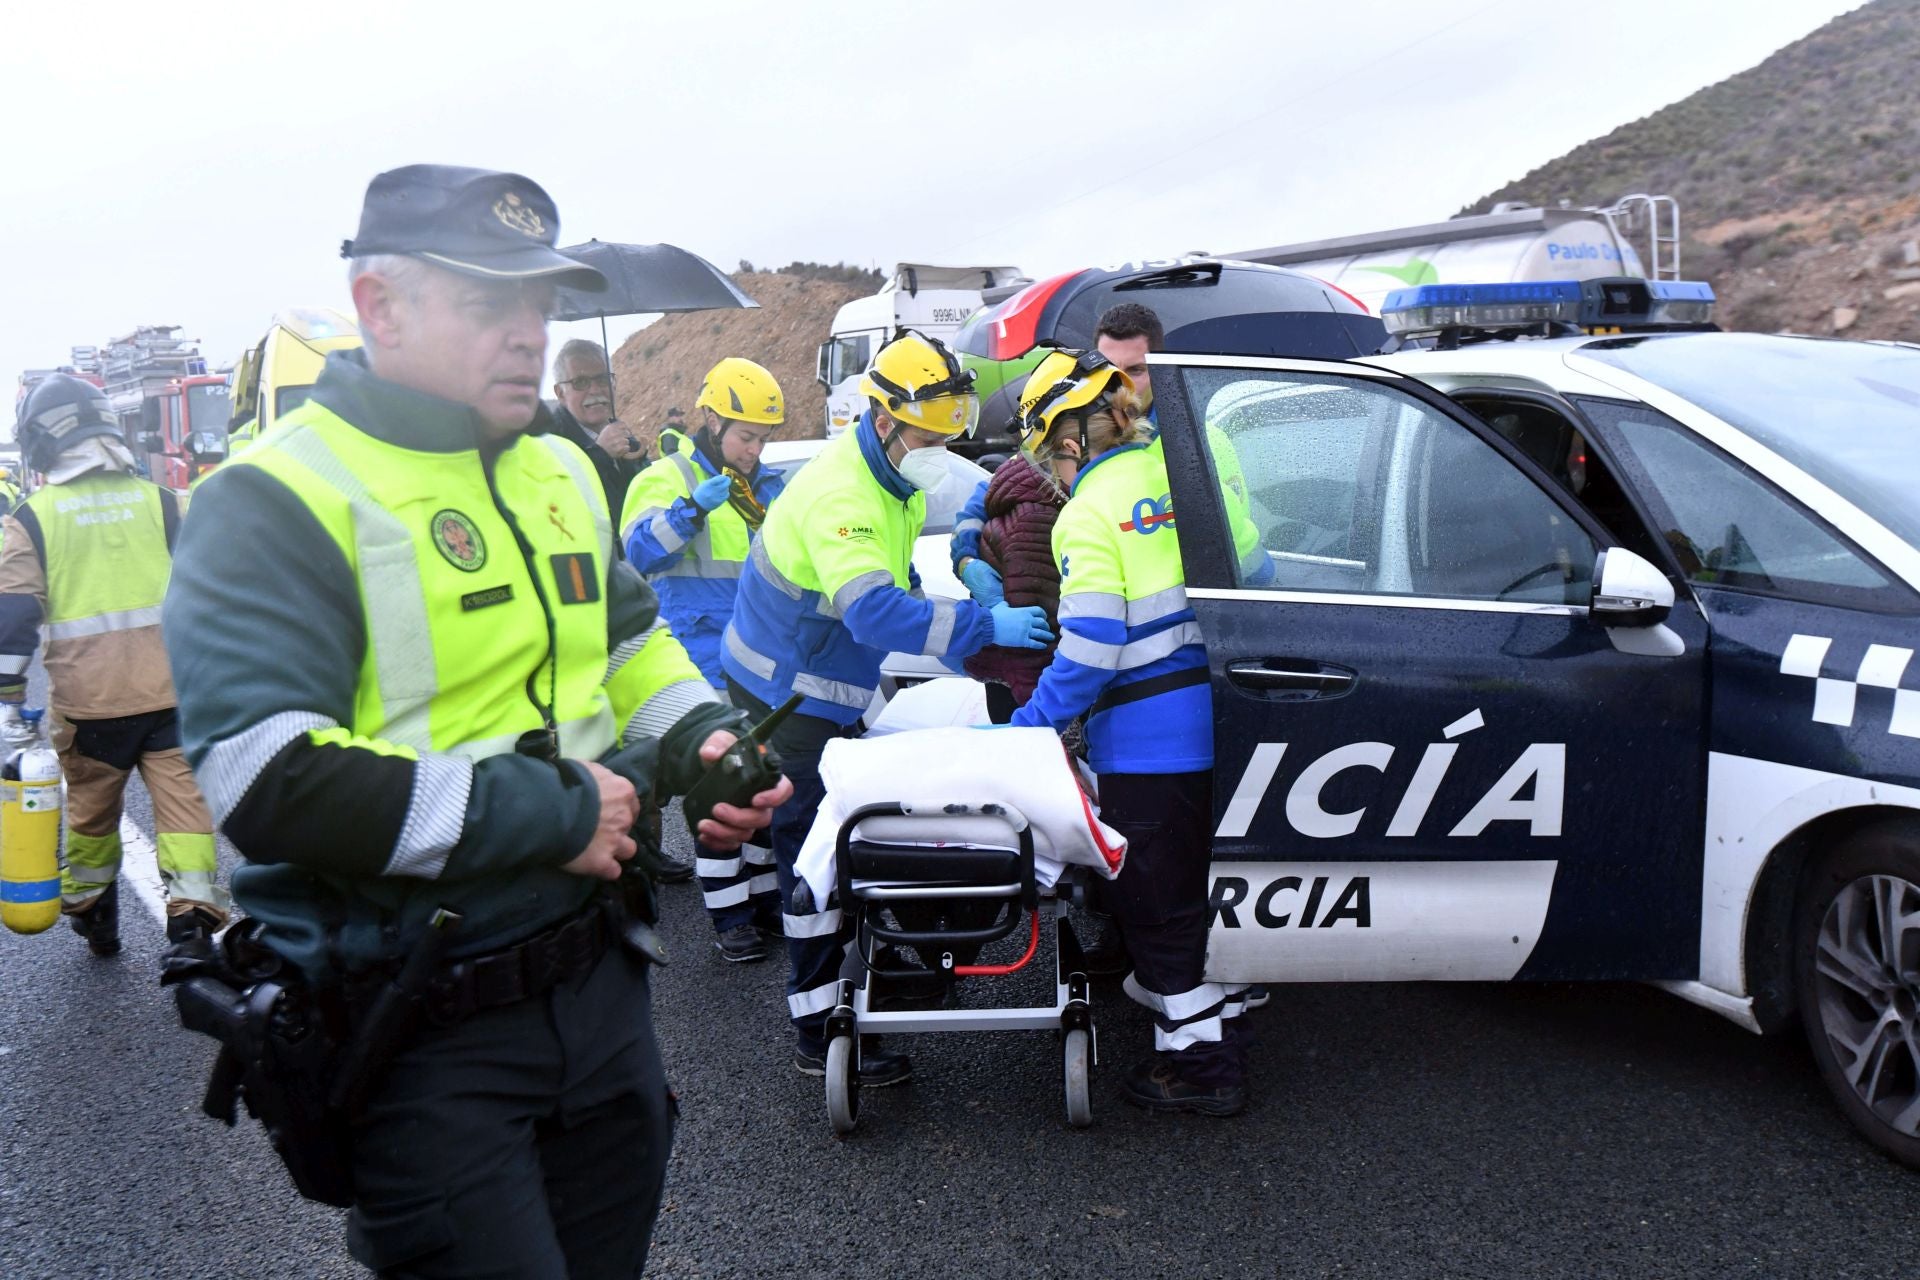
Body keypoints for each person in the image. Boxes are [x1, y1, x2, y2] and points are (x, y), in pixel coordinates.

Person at [163, 164, 790, 1278]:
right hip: (418, 1020)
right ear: (380, 308)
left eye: (539, 306)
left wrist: (705, 737)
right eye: (487, 304)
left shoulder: (557, 463)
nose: (526, 335)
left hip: (601, 983)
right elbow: (265, 775)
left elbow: (630, 639)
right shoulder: (272, 498)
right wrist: (547, 812)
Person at [721, 330, 1052, 1084]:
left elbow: (892, 591)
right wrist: (982, 628)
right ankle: (816, 1029)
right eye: (927, 435)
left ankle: (886, 952)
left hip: (816, 681)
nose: (936, 447)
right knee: (811, 855)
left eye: (945, 433)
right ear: (883, 419)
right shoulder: (845, 493)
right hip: (786, 699)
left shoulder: (886, 479)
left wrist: (968, 590)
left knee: (853, 832)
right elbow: (874, 615)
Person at [1005, 350, 1251, 1117]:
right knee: (1215, 887)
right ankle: (1228, 1018)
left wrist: (1026, 727)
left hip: (1150, 743)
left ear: (1070, 439)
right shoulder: (1201, 468)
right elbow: (1263, 569)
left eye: (1049, 450)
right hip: (1237, 719)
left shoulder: (1086, 512)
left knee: (1158, 905)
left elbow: (1089, 649)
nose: (1051, 467)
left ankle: (1200, 1068)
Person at [0, 375, 226, 956]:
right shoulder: (164, 502)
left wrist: (7, 695)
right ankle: (193, 923)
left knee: (93, 819)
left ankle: (95, 911)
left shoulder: (33, 518)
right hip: (174, 695)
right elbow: (212, 590)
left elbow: (15, 614)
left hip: (91, 706)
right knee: (184, 811)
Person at [621, 357, 787, 961]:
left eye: (764, 439)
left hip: (759, 657)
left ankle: (765, 900)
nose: (754, 449)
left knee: (765, 786)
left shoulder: (765, 487)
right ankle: (729, 916)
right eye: (746, 436)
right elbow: (637, 554)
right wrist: (691, 509)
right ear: (712, 422)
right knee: (725, 788)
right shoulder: (664, 478)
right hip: (695, 662)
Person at [952, 302, 1166, 605]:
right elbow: (983, 501)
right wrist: (967, 563)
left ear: (1159, 367)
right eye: (1108, 368)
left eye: (1135, 370)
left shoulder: (1185, 438)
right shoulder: (1063, 428)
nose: (1120, 382)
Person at [548, 338, 642, 530]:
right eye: (580, 382)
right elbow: (554, 506)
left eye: (603, 379)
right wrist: (600, 455)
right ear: (560, 393)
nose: (595, 390)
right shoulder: (547, 444)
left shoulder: (624, 437)